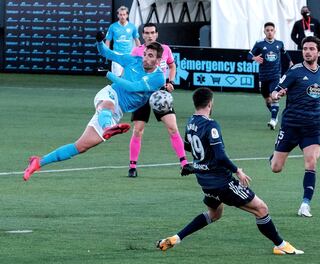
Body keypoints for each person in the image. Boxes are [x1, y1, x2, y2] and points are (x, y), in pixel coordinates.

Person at [156, 87, 304, 255]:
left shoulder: (190, 122)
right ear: (210, 103)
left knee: (214, 214)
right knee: (261, 209)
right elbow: (220, 156)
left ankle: (176, 238)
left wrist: (197, 165)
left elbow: (188, 147)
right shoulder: (211, 125)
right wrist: (237, 170)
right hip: (222, 182)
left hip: (205, 181)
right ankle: (281, 245)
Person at [22, 35, 165, 182]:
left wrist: (108, 74)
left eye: (150, 56)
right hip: (110, 94)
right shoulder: (133, 60)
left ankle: (38, 162)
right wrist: (99, 42)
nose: (145, 58)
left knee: (80, 146)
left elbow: (134, 87)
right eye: (145, 54)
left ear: (158, 61)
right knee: (107, 105)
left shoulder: (158, 78)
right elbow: (107, 53)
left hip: (117, 111)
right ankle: (109, 127)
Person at [270, 36, 320, 217]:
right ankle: (273, 156)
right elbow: (276, 89)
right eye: (305, 49)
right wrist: (275, 95)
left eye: (311, 49)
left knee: (311, 161)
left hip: (312, 127)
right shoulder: (294, 71)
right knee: (276, 168)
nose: (308, 52)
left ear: (319, 52)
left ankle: (305, 204)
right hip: (291, 126)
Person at [127, 22, 193, 178]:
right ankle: (132, 166)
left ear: (156, 34)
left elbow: (172, 66)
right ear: (142, 35)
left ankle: (184, 164)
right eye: (147, 33)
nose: (149, 35)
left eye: (152, 33)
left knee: (173, 128)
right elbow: (130, 71)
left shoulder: (166, 50)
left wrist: (170, 82)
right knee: (138, 130)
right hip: (142, 94)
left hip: (160, 94)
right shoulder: (137, 51)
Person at [248, 22, 293, 130]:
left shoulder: (279, 43)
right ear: (264, 31)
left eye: (271, 30)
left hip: (275, 76)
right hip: (264, 76)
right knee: (267, 100)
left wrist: (290, 61)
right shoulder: (259, 44)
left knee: (274, 97)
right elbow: (249, 55)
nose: (269, 32)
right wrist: (254, 58)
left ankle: (273, 120)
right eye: (267, 30)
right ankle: (275, 115)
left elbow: (285, 52)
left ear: (274, 31)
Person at [105, 6, 141, 76]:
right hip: (117, 55)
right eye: (120, 14)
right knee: (117, 77)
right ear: (118, 15)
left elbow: (137, 40)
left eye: (124, 14)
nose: (122, 16)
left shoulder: (132, 26)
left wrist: (140, 52)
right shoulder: (113, 26)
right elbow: (108, 40)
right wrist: (107, 52)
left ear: (127, 15)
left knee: (128, 77)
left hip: (129, 55)